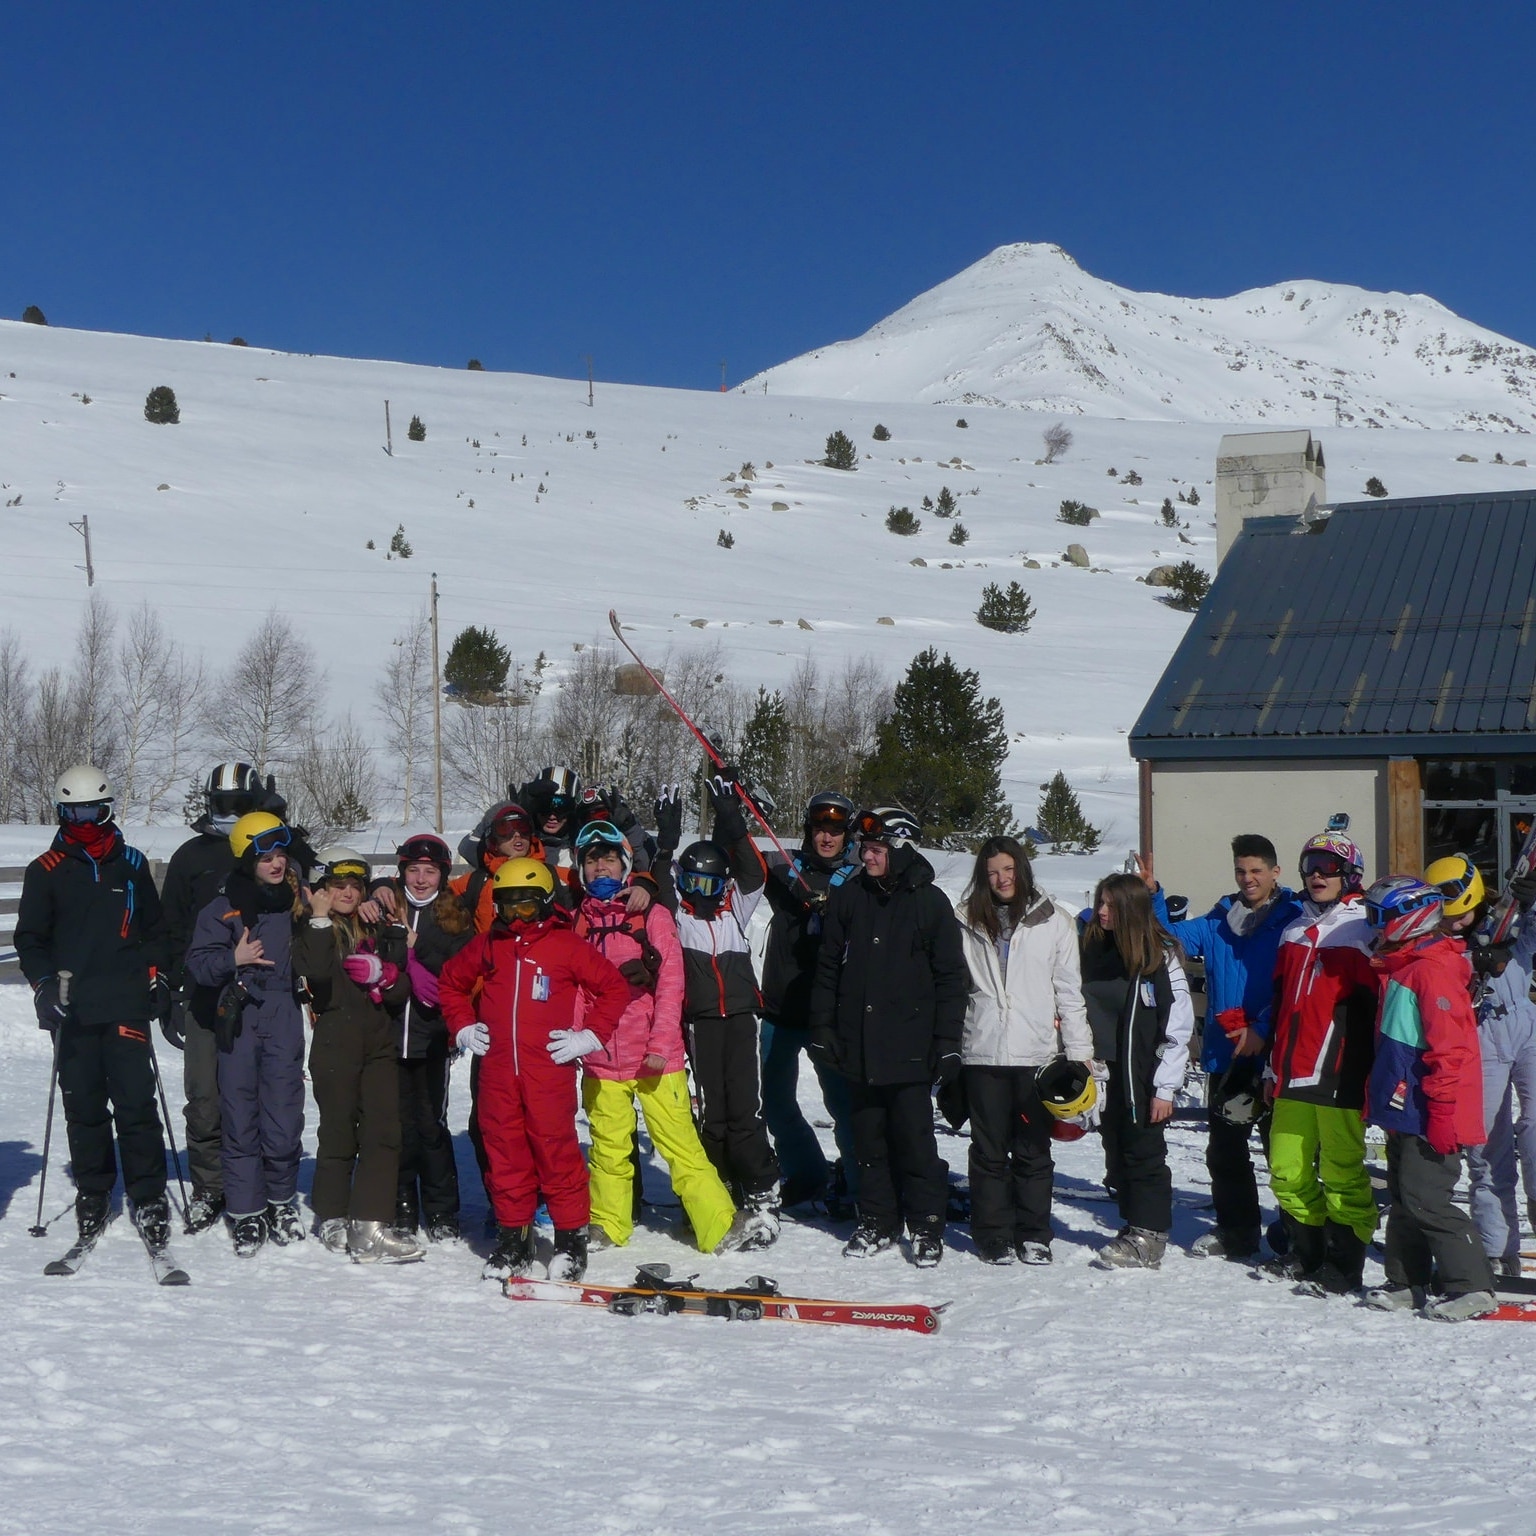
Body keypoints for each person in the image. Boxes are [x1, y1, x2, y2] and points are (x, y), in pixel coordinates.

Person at [439, 857, 630, 1281]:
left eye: (526, 907)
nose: (517, 917)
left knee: (555, 1152)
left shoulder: (566, 945)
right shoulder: (491, 944)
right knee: (504, 1154)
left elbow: (614, 987)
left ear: (545, 903)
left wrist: (591, 1036)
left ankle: (569, 1242)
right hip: (499, 1074)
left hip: (549, 1072)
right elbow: (451, 982)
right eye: (507, 907)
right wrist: (464, 1026)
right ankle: (514, 1242)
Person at [14, 766, 173, 1255]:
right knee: (83, 1107)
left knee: (135, 1106)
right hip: (72, 1010)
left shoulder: (130, 862)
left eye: (93, 810)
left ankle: (147, 1196)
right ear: (61, 812)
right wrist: (43, 987)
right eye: (74, 811)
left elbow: (156, 931)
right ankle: (94, 1190)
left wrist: (159, 977)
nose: (85, 820)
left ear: (107, 809)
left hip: (126, 1002)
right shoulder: (44, 870)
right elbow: (30, 938)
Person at [569, 820, 742, 1254]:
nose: (602, 868)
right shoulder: (578, 922)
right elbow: (573, 988)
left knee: (679, 1144)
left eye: (610, 858)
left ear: (625, 864)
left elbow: (671, 986)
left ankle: (719, 1225)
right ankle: (608, 1225)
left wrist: (660, 1046)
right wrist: (576, 1040)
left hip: (654, 1058)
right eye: (592, 861)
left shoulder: (652, 914)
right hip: (601, 1060)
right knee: (608, 1150)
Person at [809, 805, 969, 1267]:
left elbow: (950, 980)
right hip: (859, 1045)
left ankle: (925, 1225)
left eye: (876, 848)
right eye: (865, 848)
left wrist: (948, 1044)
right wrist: (823, 1027)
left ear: (898, 849)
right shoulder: (850, 896)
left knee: (916, 1143)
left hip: (911, 1049)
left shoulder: (929, 902)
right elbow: (827, 969)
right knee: (868, 1141)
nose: (867, 856)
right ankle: (878, 1220)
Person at [1143, 836, 1303, 1259]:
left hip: (1274, 1057)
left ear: (1274, 873)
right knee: (1226, 1153)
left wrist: (1263, 1028)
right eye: (1240, 871)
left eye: (1256, 871)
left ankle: (1294, 1233)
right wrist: (1152, 896)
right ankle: (1238, 1232)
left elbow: (1294, 987)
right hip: (1225, 1057)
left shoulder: (1293, 921)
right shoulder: (1218, 923)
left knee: (1285, 1155)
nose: (1248, 879)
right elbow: (1166, 939)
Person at [1361, 877, 1497, 1320]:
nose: (1373, 926)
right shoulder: (1404, 965)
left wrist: (1441, 1112)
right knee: (1404, 1197)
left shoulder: (1430, 970)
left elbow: (1450, 1050)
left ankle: (1472, 1284)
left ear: (1411, 919)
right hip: (1407, 1106)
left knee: (1428, 1198)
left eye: (1379, 917)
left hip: (1433, 1109)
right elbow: (1395, 1046)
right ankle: (1407, 1281)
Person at [658, 773, 783, 1246]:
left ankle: (761, 1190)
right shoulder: (679, 917)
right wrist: (666, 844)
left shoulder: (735, 909)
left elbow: (754, 871)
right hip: (702, 1023)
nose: (702, 890)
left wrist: (731, 816)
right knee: (712, 1112)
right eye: (693, 882)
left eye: (711, 882)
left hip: (744, 1019)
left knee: (746, 1108)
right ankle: (713, 1190)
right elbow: (659, 883)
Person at [956, 835, 1093, 1265]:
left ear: (1022, 869)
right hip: (983, 1053)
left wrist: (1079, 1053)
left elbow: (1069, 992)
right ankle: (992, 1233)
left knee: (1033, 1150)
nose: (1002, 879)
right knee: (988, 1152)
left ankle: (1034, 1233)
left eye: (1009, 869)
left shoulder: (1054, 921)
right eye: (993, 872)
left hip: (1036, 1055)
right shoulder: (965, 919)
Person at [159, 761, 276, 1233]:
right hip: (204, 993)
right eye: (221, 805)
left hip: (260, 993)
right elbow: (170, 928)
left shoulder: (271, 849)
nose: (229, 814)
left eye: (239, 806)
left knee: (257, 1095)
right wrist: (169, 990)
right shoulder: (191, 856)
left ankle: (260, 1183)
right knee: (205, 1097)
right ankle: (211, 1186)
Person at [184, 811, 307, 1255]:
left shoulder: (297, 901)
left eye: (280, 855)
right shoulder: (223, 906)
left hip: (283, 1013)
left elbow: (346, 898)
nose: (276, 864)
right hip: (238, 1013)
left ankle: (280, 1201)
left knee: (283, 1116)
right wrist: (231, 959)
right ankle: (245, 1210)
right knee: (240, 1116)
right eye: (265, 857)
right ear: (245, 860)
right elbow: (198, 964)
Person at [1261, 830, 1379, 1291]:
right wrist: (1272, 1064)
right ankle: (1305, 1250)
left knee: (1341, 1170)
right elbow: (1279, 1002)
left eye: (1328, 866)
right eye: (1310, 864)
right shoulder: (1293, 930)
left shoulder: (1363, 929)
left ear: (1350, 874)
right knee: (1285, 1168)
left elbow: (1379, 1005)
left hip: (1338, 1073)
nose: (1316, 874)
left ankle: (1345, 1259)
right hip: (1291, 1071)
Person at [293, 846, 424, 1263]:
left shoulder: (376, 928)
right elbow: (313, 973)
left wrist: (385, 977)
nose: (347, 893)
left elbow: (403, 990)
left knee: (384, 1132)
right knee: (338, 1133)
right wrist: (317, 915)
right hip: (335, 1040)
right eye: (337, 886)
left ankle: (370, 1225)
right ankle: (331, 1214)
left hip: (379, 1043)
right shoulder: (312, 928)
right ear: (322, 889)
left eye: (354, 886)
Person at [1079, 873, 1195, 1269]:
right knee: (1116, 1150)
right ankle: (1132, 1225)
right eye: (1100, 903)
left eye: (1111, 905)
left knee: (1144, 1154)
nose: (1101, 912)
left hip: (1144, 1075)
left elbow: (1178, 1028)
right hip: (1104, 1072)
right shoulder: (1092, 948)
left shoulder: (1159, 958)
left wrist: (1165, 1088)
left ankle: (1150, 1235)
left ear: (1130, 909)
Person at [1429, 854, 1536, 1277]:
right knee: (1487, 1147)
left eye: (1461, 913)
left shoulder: (1508, 918)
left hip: (1527, 1025)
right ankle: (1497, 1248)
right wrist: (1471, 956)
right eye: (1447, 916)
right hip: (1479, 1037)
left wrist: (1533, 904)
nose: (1456, 922)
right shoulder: (1440, 936)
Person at [759, 791, 862, 1212]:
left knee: (843, 1105)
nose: (826, 838)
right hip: (780, 1010)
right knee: (776, 1103)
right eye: (820, 829)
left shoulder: (859, 880)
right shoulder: (784, 867)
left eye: (835, 831)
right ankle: (807, 1172)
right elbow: (743, 851)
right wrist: (735, 806)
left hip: (829, 1017)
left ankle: (859, 1184)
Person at [377, 833, 474, 1242]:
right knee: (395, 1126)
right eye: (413, 870)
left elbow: (460, 973)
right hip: (386, 1036)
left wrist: (419, 944)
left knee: (430, 1125)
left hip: (431, 1037)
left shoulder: (453, 917)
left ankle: (441, 1209)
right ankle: (402, 1203)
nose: (420, 879)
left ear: (442, 875)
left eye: (429, 871)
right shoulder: (383, 907)